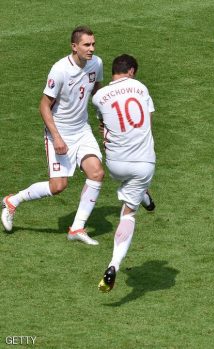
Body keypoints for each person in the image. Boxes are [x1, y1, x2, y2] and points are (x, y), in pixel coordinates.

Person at [1, 26, 105, 245]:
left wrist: (105, 119)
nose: (91, 49)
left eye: (93, 44)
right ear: (74, 46)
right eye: (87, 45)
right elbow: (44, 105)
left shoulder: (97, 63)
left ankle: (77, 228)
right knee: (58, 186)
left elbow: (97, 91)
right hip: (60, 133)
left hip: (82, 129)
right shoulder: (60, 70)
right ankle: (12, 201)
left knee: (96, 173)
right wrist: (56, 137)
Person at [93, 54, 156, 292]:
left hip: (115, 164)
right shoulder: (140, 87)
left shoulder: (99, 97)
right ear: (130, 71)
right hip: (143, 162)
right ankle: (114, 265)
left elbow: (103, 127)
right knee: (128, 215)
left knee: (133, 184)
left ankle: (144, 195)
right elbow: (148, 121)